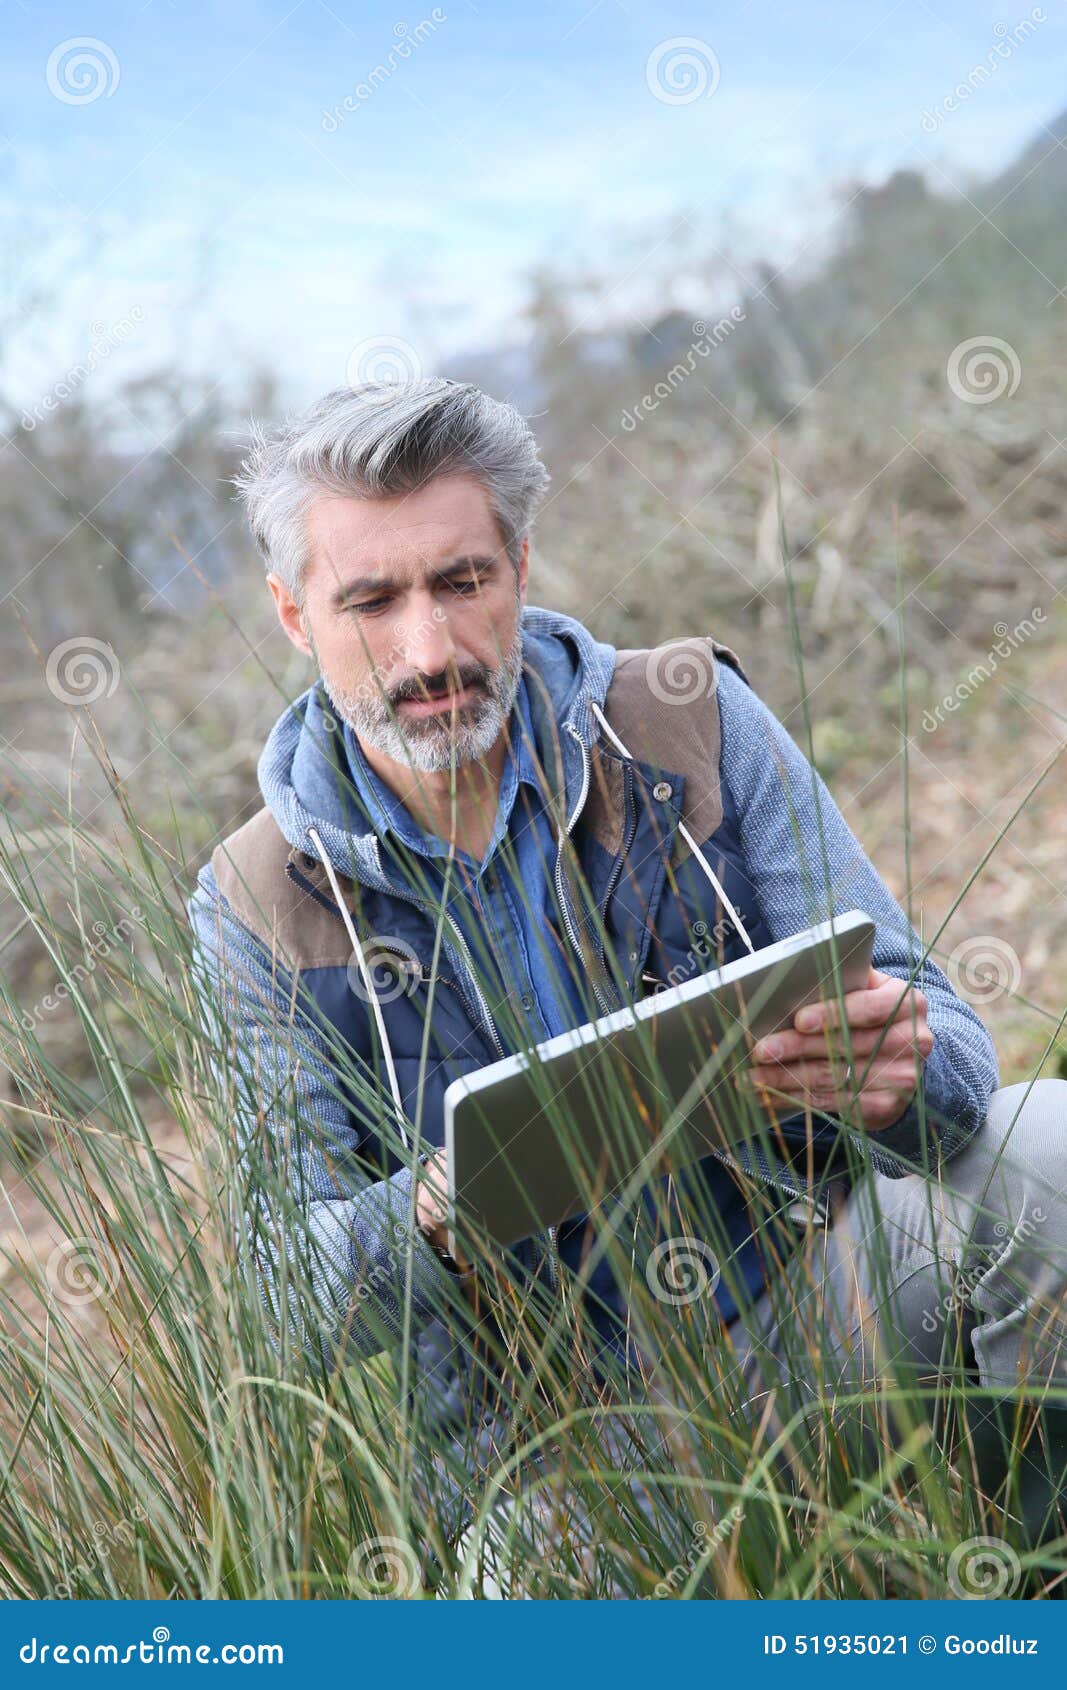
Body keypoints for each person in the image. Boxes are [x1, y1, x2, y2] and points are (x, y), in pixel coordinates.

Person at [189, 377, 1067, 1595]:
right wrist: (437, 1207)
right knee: (514, 1599)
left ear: (520, 564)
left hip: (820, 1298)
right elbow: (283, 1297)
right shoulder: (251, 902)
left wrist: (896, 1077)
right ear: (293, 614)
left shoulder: (681, 718)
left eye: (461, 582)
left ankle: (1023, 1591)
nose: (430, 650)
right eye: (371, 601)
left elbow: (946, 1050)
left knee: (1050, 1148)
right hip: (566, 1457)